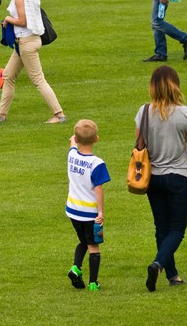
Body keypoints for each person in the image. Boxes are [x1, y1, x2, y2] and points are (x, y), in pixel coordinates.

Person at [139, 65, 187, 292]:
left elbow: (140, 146)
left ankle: (172, 274)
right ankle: (158, 265)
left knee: (161, 228)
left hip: (152, 178)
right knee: (177, 229)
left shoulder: (144, 112)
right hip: (177, 177)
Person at [0, 0, 66, 124]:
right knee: (8, 75)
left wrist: (8, 19)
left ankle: (59, 114)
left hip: (26, 42)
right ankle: (1, 113)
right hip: (28, 41)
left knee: (38, 79)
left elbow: (23, 21)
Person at [65, 119, 110, 292]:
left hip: (73, 210)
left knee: (83, 240)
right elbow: (98, 188)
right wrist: (100, 211)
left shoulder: (72, 155)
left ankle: (76, 267)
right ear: (96, 139)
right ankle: (93, 283)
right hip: (90, 213)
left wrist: (73, 139)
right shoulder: (96, 163)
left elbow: (71, 144)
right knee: (93, 245)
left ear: (76, 139)